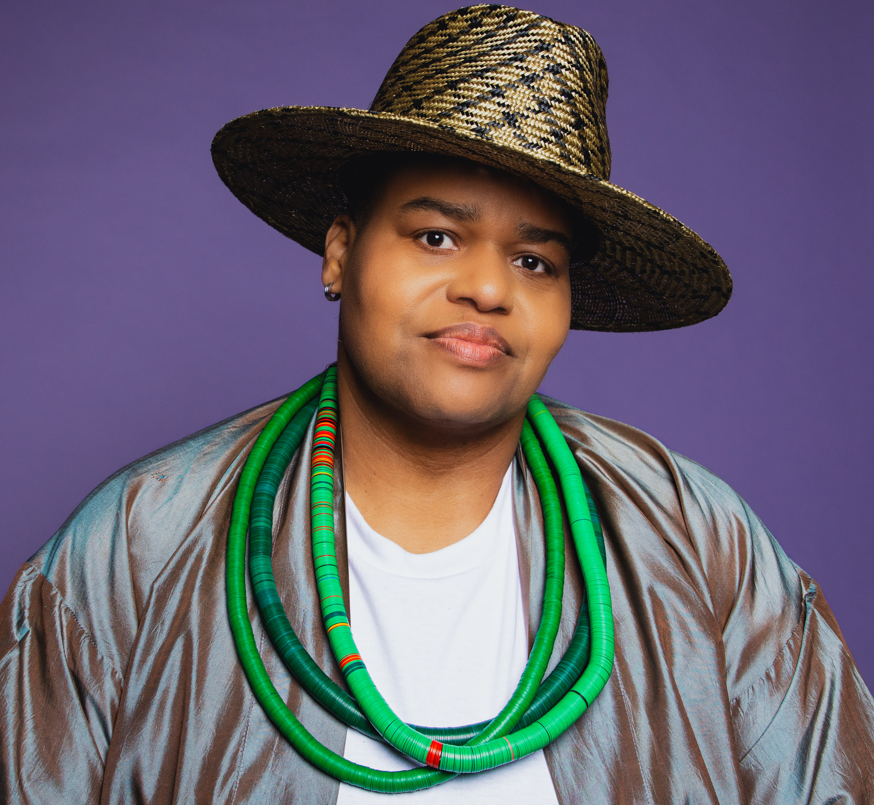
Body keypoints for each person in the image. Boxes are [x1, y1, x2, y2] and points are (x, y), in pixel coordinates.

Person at [1, 4, 872, 803]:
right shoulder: (138, 549)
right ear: (340, 252)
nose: (488, 287)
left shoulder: (698, 543)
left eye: (534, 260)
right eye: (437, 235)